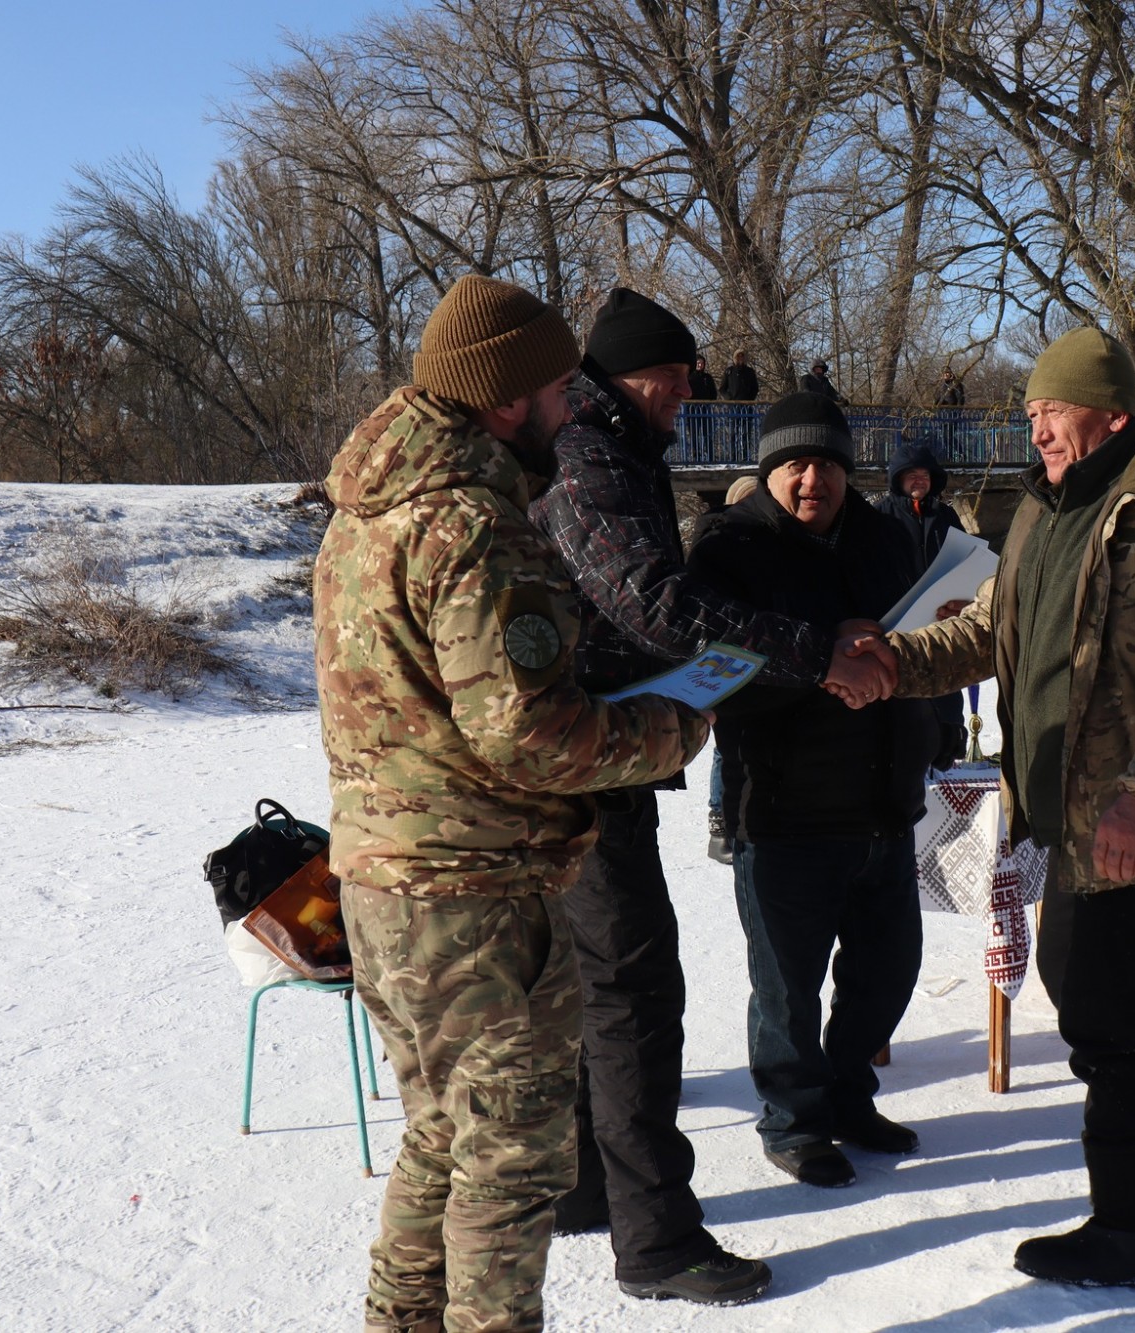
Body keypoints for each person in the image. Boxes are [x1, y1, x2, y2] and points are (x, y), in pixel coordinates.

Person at [313, 274, 715, 1330]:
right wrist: (677, 723)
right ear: (504, 398)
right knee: (508, 1166)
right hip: (473, 901)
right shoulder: (471, 526)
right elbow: (528, 733)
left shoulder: (366, 511)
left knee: (443, 1136)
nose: (572, 407)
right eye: (558, 388)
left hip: (383, 882)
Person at [878, 327, 1135, 1288]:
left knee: (1102, 1009)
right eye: (1033, 412)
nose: (1037, 429)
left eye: (1053, 411)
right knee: (1083, 981)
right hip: (1078, 809)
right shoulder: (1044, 507)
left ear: (1112, 414)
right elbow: (992, 628)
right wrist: (892, 664)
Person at [529, 288, 893, 1304]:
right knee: (632, 992)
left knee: (593, 982)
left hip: (599, 751)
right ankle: (655, 1237)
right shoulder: (591, 456)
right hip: (585, 762)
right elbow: (652, 602)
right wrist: (811, 652)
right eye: (674, 377)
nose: (688, 394)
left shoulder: (614, 447)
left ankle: (585, 1183)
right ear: (626, 373)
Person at [687, 392, 938, 1189]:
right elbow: (712, 670)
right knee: (787, 989)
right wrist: (823, 655)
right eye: (796, 464)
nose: (812, 480)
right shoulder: (730, 544)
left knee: (888, 969)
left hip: (882, 800)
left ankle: (849, 1094)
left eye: (828, 464)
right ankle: (794, 1121)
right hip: (783, 809)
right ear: (769, 470)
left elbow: (920, 635)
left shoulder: (884, 535)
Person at [873, 436, 971, 769]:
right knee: (903, 705)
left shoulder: (946, 516)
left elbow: (967, 561)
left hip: (944, 626)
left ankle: (948, 752)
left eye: (925, 475)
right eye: (912, 475)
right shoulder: (879, 518)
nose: (919, 480)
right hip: (897, 630)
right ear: (898, 479)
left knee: (946, 693)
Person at [691, 474, 761, 865]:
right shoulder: (715, 542)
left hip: (762, 657)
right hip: (725, 659)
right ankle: (719, 822)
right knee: (725, 746)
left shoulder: (771, 541)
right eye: (746, 501)